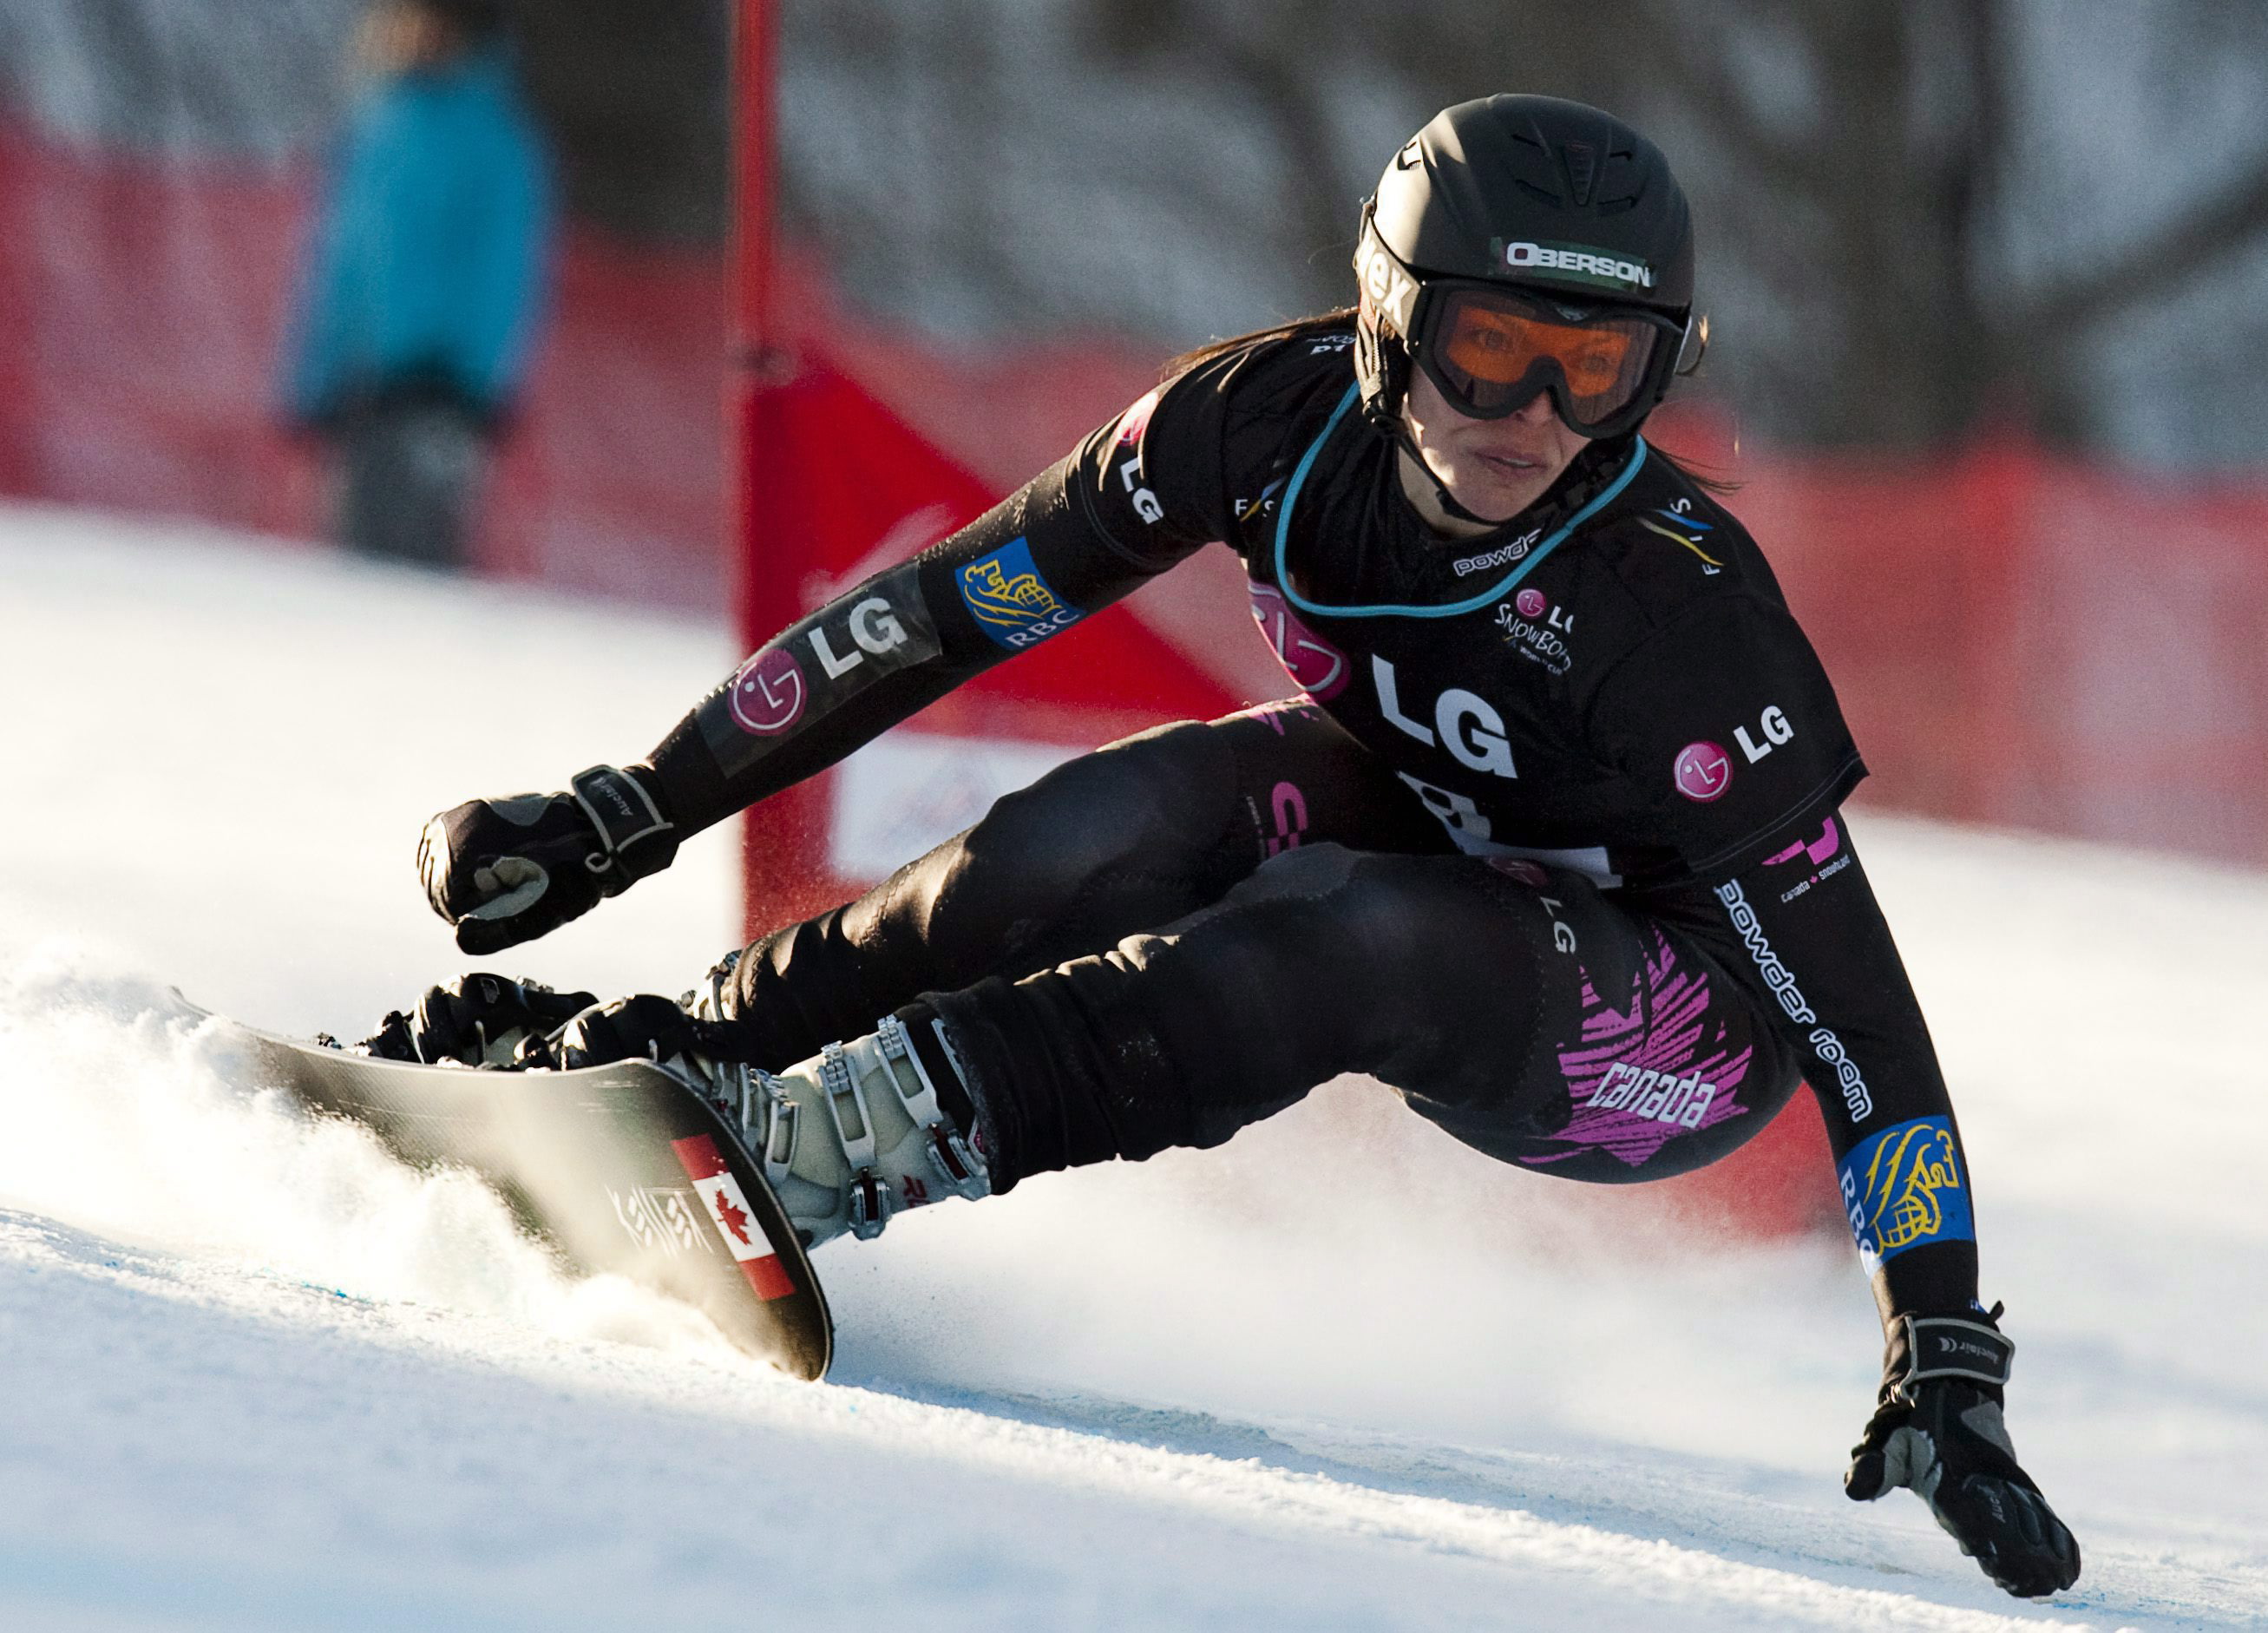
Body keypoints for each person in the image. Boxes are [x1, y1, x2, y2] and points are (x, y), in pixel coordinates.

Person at [389, 96, 2081, 1597]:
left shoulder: (1677, 622)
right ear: (1387, 317)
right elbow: (940, 611)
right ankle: (687, 1053)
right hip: (1439, 805)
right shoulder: (1259, 423)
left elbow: (1851, 1015)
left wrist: (1937, 1341)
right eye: (1492, 346)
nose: (1531, 415)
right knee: (1105, 823)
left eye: (1597, 369)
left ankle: (840, 1145)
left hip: (1658, 1023)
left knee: (1345, 928)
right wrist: (628, 808)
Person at [280, 0, 554, 568]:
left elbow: (505, 276)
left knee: (416, 569)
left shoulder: (493, 137)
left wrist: (476, 383)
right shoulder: (381, 124)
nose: (401, 33)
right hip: (365, 391)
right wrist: (313, 381)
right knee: (351, 564)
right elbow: (340, 266)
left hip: (441, 394)